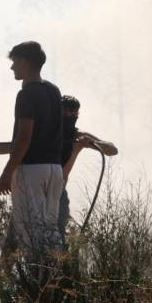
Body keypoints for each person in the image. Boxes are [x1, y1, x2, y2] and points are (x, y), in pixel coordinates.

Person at [0, 41, 63, 261]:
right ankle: (55, 280)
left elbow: (23, 141)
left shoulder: (25, 94)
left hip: (31, 172)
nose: (12, 68)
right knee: (50, 230)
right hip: (54, 170)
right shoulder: (53, 91)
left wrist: (7, 173)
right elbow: (22, 143)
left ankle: (37, 286)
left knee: (31, 234)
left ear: (25, 62)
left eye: (14, 62)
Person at [58, 95, 119, 239]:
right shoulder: (44, 133)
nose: (70, 116)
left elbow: (112, 150)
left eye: (74, 113)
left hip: (59, 191)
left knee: (57, 235)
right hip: (39, 189)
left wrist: (88, 142)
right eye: (66, 112)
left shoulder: (78, 136)